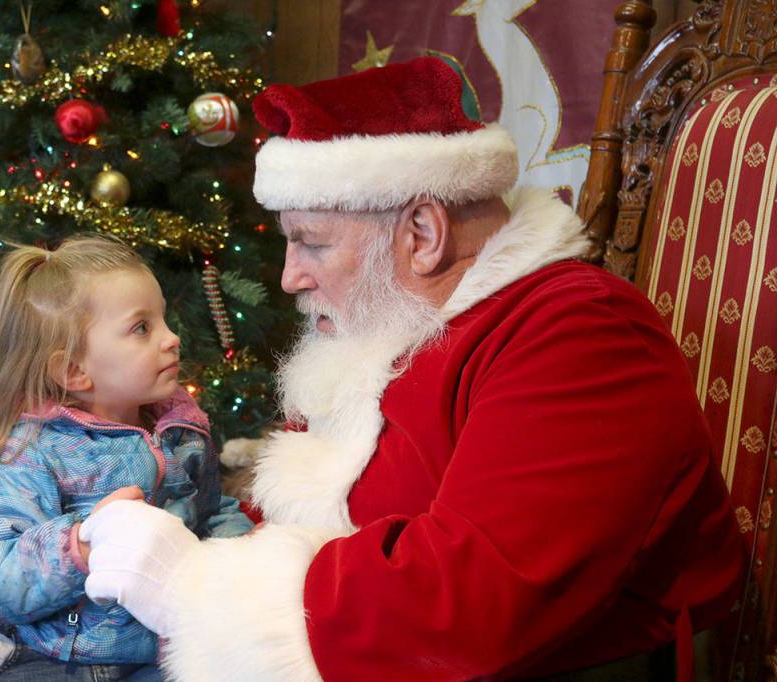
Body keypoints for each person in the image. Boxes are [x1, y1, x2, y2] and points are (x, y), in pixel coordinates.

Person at [79, 58, 746, 681]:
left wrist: (192, 587)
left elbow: (476, 600)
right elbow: (289, 514)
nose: (288, 278)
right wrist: (161, 530)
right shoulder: (395, 325)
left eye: (310, 243)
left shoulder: (583, 334)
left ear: (422, 234)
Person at [0, 236, 253, 681]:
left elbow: (211, 512)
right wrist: (81, 545)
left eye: (164, 321)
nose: (172, 339)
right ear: (74, 370)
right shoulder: (27, 449)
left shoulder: (181, 430)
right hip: (54, 654)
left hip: (159, 650)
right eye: (142, 328)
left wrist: (248, 560)